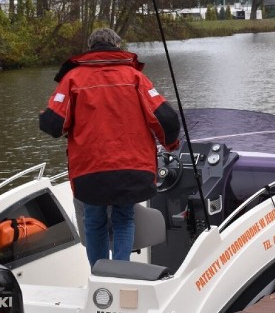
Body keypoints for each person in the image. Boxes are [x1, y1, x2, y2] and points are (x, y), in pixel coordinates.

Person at [39, 28, 180, 267]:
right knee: (124, 218)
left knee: (94, 220)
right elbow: (165, 118)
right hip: (132, 168)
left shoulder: (73, 79)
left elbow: (53, 123)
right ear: (117, 46)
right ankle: (121, 272)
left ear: (90, 47)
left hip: (90, 170)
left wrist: (45, 116)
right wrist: (171, 144)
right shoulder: (135, 78)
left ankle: (99, 275)